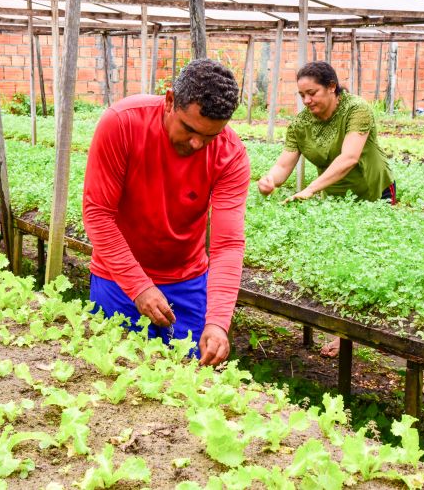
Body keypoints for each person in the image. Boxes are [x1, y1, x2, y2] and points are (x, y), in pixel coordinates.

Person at [83, 59, 250, 367]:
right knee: (113, 380)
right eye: (189, 129)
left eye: (210, 135)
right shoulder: (122, 123)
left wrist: (217, 321)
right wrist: (139, 286)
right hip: (118, 280)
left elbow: (227, 245)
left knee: (188, 384)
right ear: (170, 100)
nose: (198, 143)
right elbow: (98, 214)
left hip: (187, 283)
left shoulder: (230, 154)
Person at [256, 61, 395, 357]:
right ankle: (341, 330)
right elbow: (284, 163)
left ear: (332, 87)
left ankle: (354, 336)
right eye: (302, 95)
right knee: (339, 260)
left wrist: (307, 190)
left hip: (373, 191)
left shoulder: (357, 110)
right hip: (333, 199)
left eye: (313, 93)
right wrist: (270, 180)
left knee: (369, 260)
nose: (307, 101)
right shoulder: (301, 123)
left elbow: (349, 157)